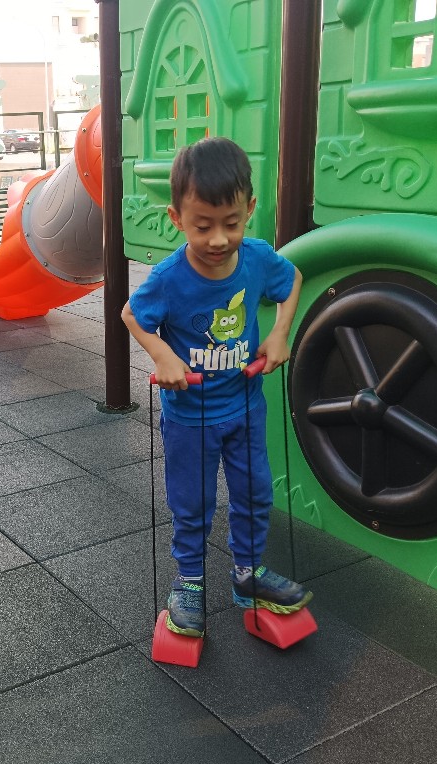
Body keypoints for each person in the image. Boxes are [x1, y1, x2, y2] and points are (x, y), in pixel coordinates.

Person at [122, 137, 312, 638]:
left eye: (231, 223)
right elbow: (132, 315)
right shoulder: (169, 278)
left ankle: (247, 573)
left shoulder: (257, 258)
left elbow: (292, 279)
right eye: (203, 226)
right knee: (193, 503)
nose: (219, 239)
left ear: (250, 209)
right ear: (177, 218)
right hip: (191, 416)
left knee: (255, 493)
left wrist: (279, 334)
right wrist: (162, 355)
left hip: (245, 406)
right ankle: (189, 579)